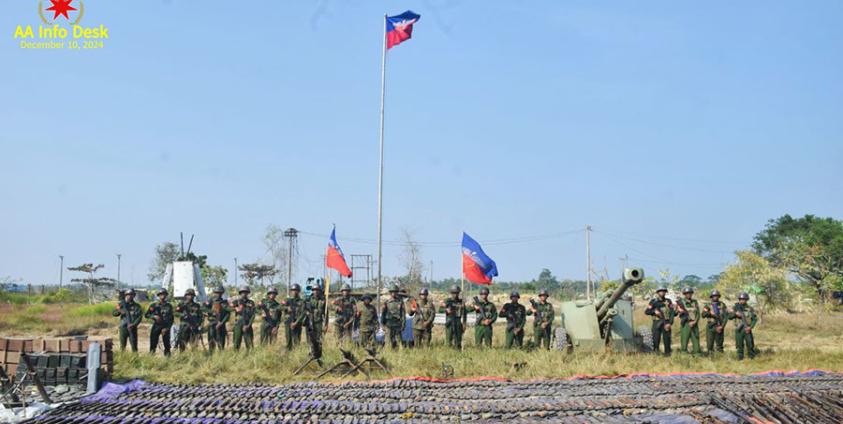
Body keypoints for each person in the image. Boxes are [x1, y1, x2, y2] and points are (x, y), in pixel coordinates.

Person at [645, 287, 675, 356]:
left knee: (667, 339)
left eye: (663, 291)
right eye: (660, 291)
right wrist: (654, 311)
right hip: (657, 322)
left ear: (665, 292)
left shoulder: (668, 301)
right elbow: (647, 311)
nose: (662, 292)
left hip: (666, 322)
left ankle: (667, 353)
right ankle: (656, 353)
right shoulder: (653, 301)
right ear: (658, 293)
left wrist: (670, 323)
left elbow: (672, 313)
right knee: (655, 339)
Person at [145, 288, 174, 356]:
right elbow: (146, 315)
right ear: (158, 296)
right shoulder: (154, 305)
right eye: (161, 295)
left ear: (166, 295)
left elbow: (171, 319)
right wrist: (153, 316)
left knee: (167, 344)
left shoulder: (169, 306)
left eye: (164, 294)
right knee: (153, 342)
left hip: (165, 326)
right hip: (156, 326)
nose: (162, 296)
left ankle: (167, 358)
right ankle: (151, 357)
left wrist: (167, 328)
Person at [112, 288, 142, 352]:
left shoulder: (137, 306)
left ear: (134, 296)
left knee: (134, 346)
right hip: (123, 327)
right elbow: (114, 313)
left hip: (132, 328)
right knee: (122, 346)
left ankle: (135, 360)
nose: (129, 296)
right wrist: (120, 311)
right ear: (125, 295)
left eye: (131, 295)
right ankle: (123, 359)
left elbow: (139, 317)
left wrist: (133, 324)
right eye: (128, 295)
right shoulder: (121, 304)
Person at [730, 292, 758, 360]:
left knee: (750, 344)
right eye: (741, 299)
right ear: (739, 299)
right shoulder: (735, 307)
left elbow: (754, 319)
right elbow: (729, 317)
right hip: (739, 329)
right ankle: (740, 358)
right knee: (739, 344)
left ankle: (751, 357)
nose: (742, 300)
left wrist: (750, 327)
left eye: (744, 299)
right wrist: (735, 314)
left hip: (747, 328)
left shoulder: (750, 308)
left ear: (746, 300)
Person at [203, 286, 230, 352]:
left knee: (221, 342)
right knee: (211, 341)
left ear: (222, 293)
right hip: (212, 324)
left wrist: (221, 322)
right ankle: (211, 356)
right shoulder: (210, 301)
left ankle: (220, 357)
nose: (218, 294)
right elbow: (203, 308)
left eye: (220, 293)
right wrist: (211, 312)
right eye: (216, 293)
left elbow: (227, 314)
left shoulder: (224, 302)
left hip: (221, 324)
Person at [702, 289, 729, 354]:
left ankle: (720, 357)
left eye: (717, 296)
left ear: (719, 296)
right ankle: (710, 356)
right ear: (711, 297)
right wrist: (710, 313)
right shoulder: (708, 305)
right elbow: (703, 314)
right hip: (710, 326)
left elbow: (726, 317)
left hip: (719, 325)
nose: (715, 297)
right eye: (714, 296)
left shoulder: (722, 305)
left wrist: (722, 326)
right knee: (709, 344)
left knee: (719, 344)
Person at [677, 287, 702, 355]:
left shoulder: (695, 302)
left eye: (690, 293)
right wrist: (679, 310)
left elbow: (698, 313)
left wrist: (695, 322)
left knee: (696, 339)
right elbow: (676, 313)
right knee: (684, 340)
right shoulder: (681, 302)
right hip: (685, 324)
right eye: (687, 293)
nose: (689, 295)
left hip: (694, 324)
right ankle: (684, 354)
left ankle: (697, 354)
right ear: (684, 294)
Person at [441, 285, 467, 350]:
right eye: (453, 293)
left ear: (458, 293)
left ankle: (457, 352)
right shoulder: (447, 301)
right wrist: (446, 310)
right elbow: (440, 310)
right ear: (451, 293)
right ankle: (449, 352)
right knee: (449, 340)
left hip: (458, 321)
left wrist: (464, 323)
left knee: (458, 339)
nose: (454, 294)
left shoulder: (461, 302)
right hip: (449, 321)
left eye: (456, 293)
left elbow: (464, 313)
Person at [380, 284, 406, 349]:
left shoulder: (400, 302)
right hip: (388, 325)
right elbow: (383, 314)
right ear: (390, 293)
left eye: (395, 292)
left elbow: (403, 314)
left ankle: (400, 355)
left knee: (399, 342)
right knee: (388, 342)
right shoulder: (387, 302)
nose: (394, 293)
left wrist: (403, 324)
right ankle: (388, 354)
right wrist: (382, 324)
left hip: (397, 324)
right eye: (392, 292)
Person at [231, 286, 256, 351]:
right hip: (238, 324)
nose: (244, 294)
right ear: (240, 293)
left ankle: (250, 357)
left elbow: (253, 315)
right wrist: (235, 308)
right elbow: (228, 307)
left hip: (247, 324)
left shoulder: (251, 302)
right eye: (242, 292)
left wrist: (248, 325)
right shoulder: (236, 302)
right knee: (236, 342)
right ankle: (235, 357)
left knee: (249, 343)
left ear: (248, 293)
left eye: (245, 292)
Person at [283, 283, 305, 351]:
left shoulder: (301, 301)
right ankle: (288, 352)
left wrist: (295, 323)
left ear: (298, 291)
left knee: (297, 340)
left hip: (297, 323)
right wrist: (286, 308)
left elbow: (303, 313)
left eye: (296, 290)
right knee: (288, 339)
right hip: (288, 322)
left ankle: (297, 355)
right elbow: (279, 307)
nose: (294, 292)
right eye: (292, 290)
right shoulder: (287, 300)